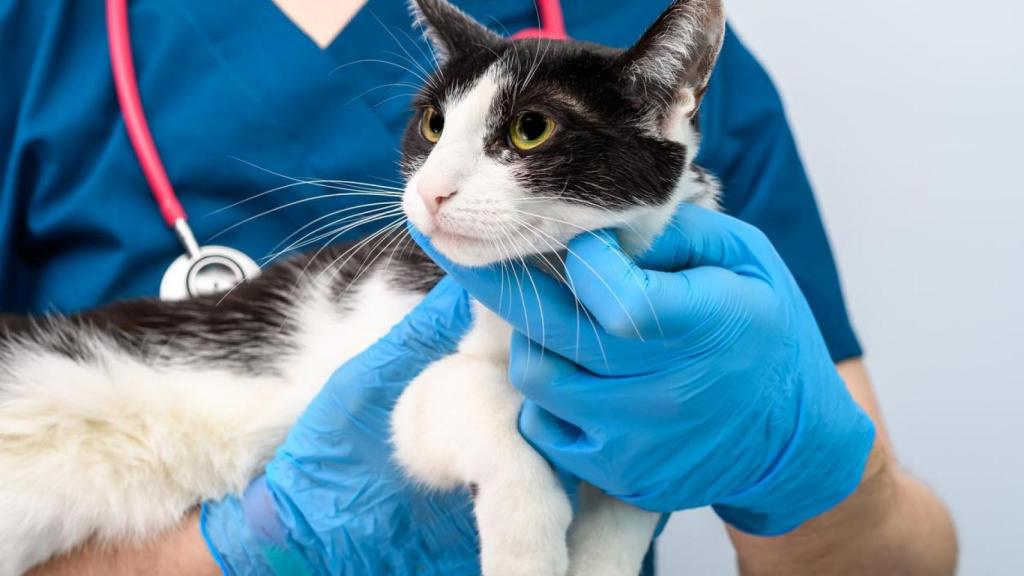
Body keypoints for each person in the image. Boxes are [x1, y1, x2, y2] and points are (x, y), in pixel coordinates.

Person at [1, 1, 956, 574]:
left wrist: (806, 464)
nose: (437, 186)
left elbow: (898, 561)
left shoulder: (635, 33)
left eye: (528, 133)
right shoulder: (35, 37)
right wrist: (261, 550)